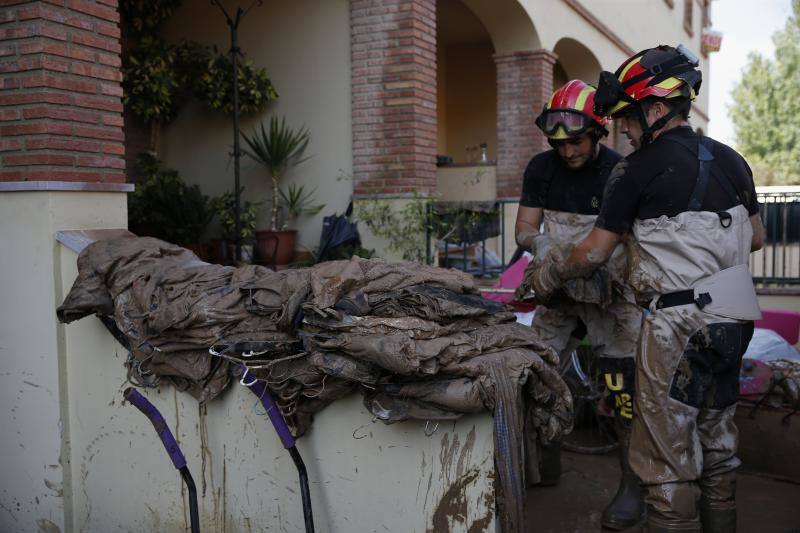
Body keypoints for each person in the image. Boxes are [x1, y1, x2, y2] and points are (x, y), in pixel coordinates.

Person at [531, 45, 765, 532]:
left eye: (629, 119)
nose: (626, 130)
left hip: (676, 326)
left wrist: (550, 273)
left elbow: (595, 252)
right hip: (734, 317)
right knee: (718, 438)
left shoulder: (635, 168)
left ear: (656, 108)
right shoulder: (734, 160)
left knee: (665, 453)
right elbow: (757, 238)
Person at [515, 79, 644, 530]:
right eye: (559, 143)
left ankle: (632, 487)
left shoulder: (620, 171)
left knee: (624, 387)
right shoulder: (540, 169)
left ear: (597, 130)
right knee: (537, 372)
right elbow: (524, 230)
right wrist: (549, 247)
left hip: (610, 291)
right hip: (559, 290)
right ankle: (544, 465)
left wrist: (601, 266)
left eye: (576, 141)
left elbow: (627, 237)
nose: (568, 152)